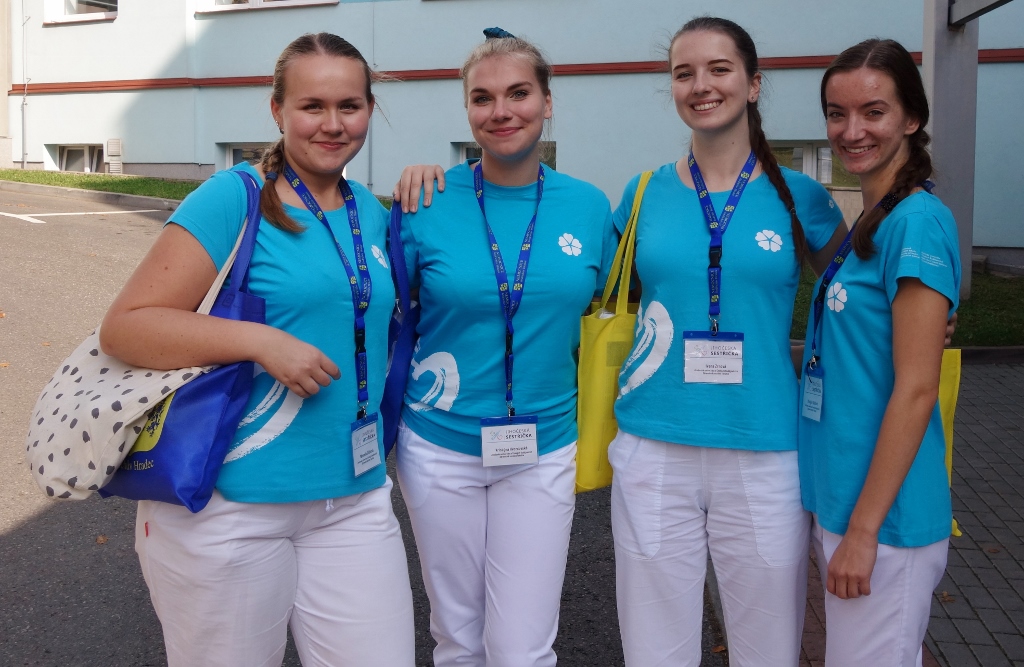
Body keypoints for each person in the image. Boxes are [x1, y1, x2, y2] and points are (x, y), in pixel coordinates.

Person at [99, 33, 415, 666]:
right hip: (228, 508)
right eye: (312, 106)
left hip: (352, 499)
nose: (332, 124)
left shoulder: (370, 211)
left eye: (349, 106)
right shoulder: (233, 197)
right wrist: (261, 341)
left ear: (370, 110)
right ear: (277, 109)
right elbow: (127, 327)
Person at [606, 17, 850, 666]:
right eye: (684, 73)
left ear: (753, 83)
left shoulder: (800, 197)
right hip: (655, 444)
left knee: (768, 649)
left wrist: (928, 310)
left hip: (765, 449)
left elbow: (861, 291)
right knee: (654, 652)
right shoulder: (643, 194)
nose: (701, 85)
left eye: (719, 69)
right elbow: (584, 289)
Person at [392, 29, 618, 667]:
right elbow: (382, 308)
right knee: (458, 638)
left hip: (544, 449)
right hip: (438, 447)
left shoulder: (588, 206)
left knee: (523, 646)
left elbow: (620, 301)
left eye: (519, 93)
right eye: (482, 98)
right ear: (467, 109)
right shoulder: (425, 200)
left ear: (548, 102)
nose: (501, 111)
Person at [798, 38, 960, 666]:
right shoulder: (873, 221)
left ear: (911, 118)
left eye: (873, 112)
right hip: (844, 496)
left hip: (885, 520)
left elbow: (917, 388)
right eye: (836, 114)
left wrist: (864, 531)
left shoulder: (916, 222)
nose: (851, 130)